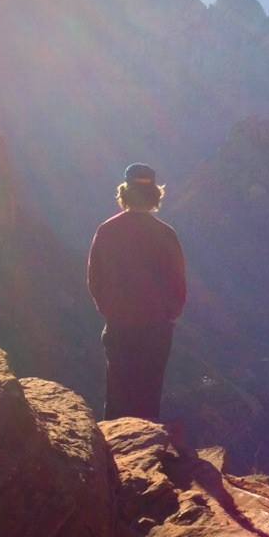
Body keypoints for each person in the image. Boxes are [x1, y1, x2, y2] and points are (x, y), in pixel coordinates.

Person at [87, 163, 186, 421]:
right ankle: (146, 448)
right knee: (148, 394)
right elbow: (178, 284)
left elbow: (95, 279)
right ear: (155, 195)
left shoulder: (107, 230)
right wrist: (167, 314)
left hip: (119, 324)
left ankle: (117, 451)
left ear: (124, 193)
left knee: (118, 392)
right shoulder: (165, 234)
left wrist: (111, 311)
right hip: (156, 327)